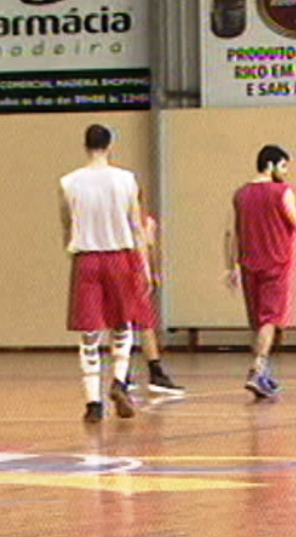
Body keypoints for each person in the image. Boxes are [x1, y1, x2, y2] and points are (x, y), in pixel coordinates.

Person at [225, 145, 296, 399]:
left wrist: (230, 266)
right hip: (276, 264)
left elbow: (232, 233)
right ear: (271, 165)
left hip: (249, 264)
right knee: (270, 320)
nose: (286, 172)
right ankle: (257, 370)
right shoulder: (282, 192)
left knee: (259, 323)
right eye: (283, 166)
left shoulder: (241, 194)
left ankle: (263, 374)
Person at [59, 124, 151, 423]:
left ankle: (93, 404)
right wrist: (145, 265)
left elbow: (66, 225)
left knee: (89, 332)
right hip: (120, 256)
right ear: (110, 145)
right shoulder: (126, 180)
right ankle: (119, 382)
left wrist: (72, 250)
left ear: (85, 145)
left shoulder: (69, 182)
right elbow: (136, 226)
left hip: (86, 258)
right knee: (123, 325)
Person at [125, 213, 185, 396]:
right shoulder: (137, 222)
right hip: (131, 270)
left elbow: (151, 250)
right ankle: (152, 372)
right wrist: (151, 272)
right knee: (143, 323)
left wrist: (154, 272)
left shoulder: (144, 222)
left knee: (129, 323)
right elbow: (149, 250)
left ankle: (124, 374)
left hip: (131, 271)